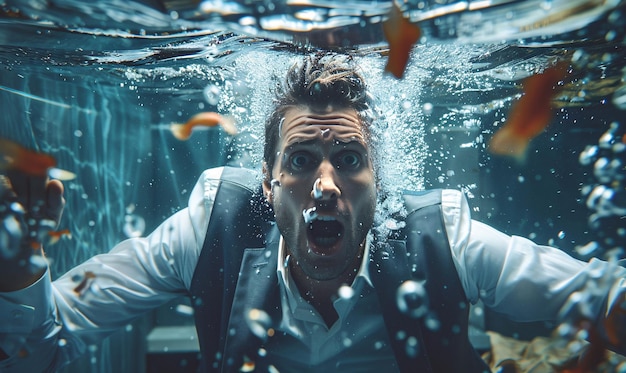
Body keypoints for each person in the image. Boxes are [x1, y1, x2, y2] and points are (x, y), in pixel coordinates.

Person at [0, 52, 625, 373]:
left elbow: (598, 297)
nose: (325, 185)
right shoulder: (209, 225)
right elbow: (45, 348)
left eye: (349, 158)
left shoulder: (441, 236)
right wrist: (17, 270)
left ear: (380, 183)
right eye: (300, 160)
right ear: (268, 185)